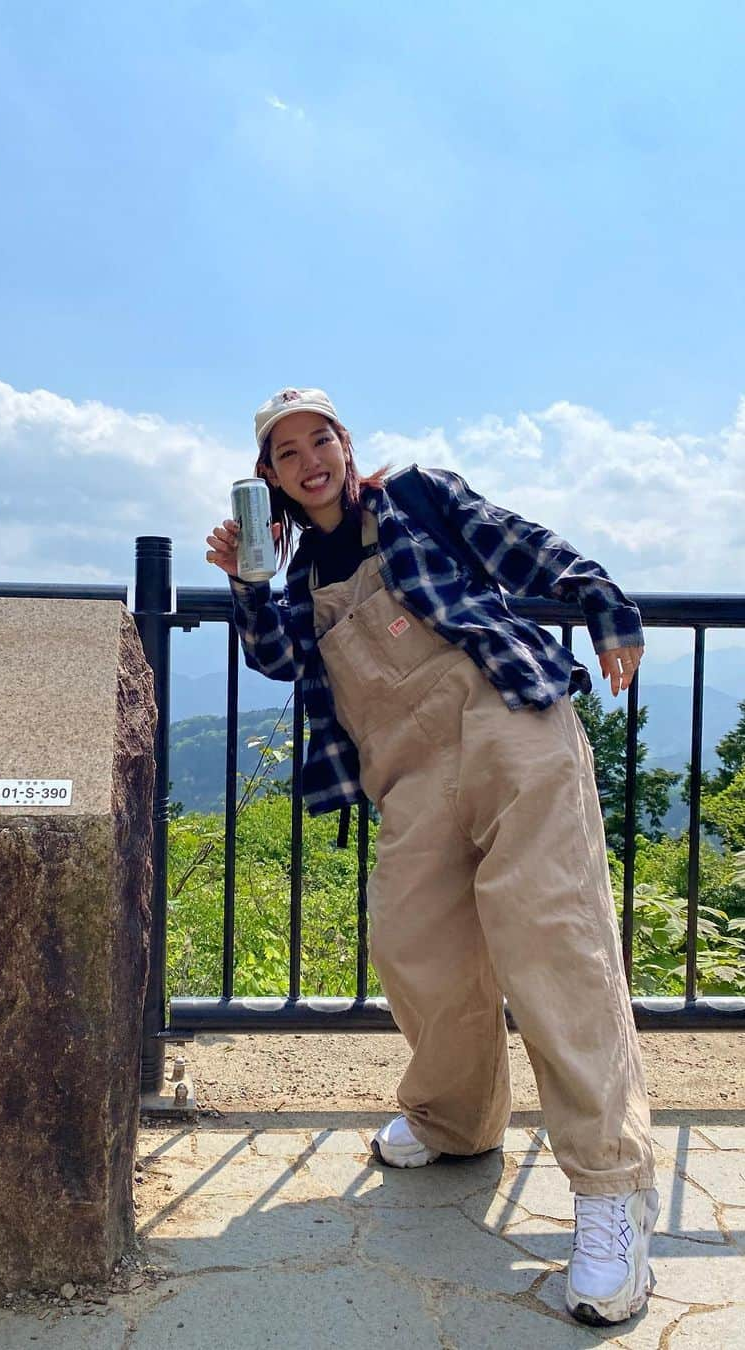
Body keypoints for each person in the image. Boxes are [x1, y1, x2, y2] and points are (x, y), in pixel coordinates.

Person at [205, 386, 659, 1328]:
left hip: (509, 724)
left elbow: (512, 541)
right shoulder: (294, 580)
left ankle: (612, 1191)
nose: (309, 459)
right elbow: (279, 657)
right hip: (406, 774)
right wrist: (247, 582)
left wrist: (601, 598)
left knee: (553, 944)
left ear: (345, 444)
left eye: (319, 438)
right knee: (416, 946)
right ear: (272, 481)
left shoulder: (415, 496)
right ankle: (457, 1122)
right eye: (286, 454)